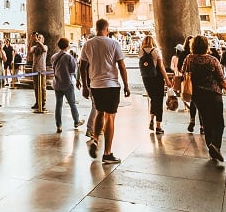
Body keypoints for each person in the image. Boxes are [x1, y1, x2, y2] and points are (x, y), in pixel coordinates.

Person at [79, 18, 131, 164]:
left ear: (96, 29)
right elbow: (121, 66)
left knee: (99, 112)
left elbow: (82, 66)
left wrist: (84, 86)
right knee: (111, 117)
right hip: (112, 85)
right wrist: (126, 85)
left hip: (96, 86)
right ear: (107, 29)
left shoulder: (88, 44)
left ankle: (95, 139)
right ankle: (107, 153)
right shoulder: (114, 43)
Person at [183, 35, 226, 162]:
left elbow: (183, 72)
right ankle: (215, 145)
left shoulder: (189, 59)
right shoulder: (213, 60)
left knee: (206, 122)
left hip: (198, 96)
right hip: (214, 94)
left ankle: (211, 147)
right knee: (219, 123)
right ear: (206, 46)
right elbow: (221, 80)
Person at [138, 34, 172, 134]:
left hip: (146, 78)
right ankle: (158, 126)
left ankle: (151, 120)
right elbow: (161, 67)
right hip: (157, 78)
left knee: (153, 98)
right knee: (159, 100)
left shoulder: (140, 51)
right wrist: (167, 80)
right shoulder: (156, 51)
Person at [49, 37, 83, 133]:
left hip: (57, 83)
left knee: (58, 105)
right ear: (67, 46)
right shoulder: (68, 57)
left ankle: (59, 125)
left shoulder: (54, 56)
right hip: (67, 83)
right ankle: (76, 121)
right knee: (72, 104)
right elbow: (73, 70)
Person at [30, 32, 48, 113]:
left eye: (40, 38)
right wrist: (31, 40)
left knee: (42, 87)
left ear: (43, 40)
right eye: (38, 37)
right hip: (35, 69)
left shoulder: (45, 46)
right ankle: (37, 102)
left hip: (42, 69)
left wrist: (37, 41)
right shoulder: (34, 47)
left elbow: (43, 49)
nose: (38, 39)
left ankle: (43, 102)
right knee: (36, 87)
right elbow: (30, 51)